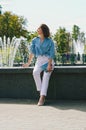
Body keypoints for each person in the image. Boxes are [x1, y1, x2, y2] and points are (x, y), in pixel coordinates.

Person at [23, 24, 55, 106]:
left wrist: (49, 64)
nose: (37, 29)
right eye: (38, 28)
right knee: (35, 72)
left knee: (46, 77)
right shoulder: (34, 40)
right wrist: (28, 63)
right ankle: (41, 91)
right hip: (39, 60)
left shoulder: (50, 41)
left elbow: (52, 54)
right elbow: (32, 52)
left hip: (48, 61)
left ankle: (42, 97)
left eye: (39, 28)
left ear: (43, 30)